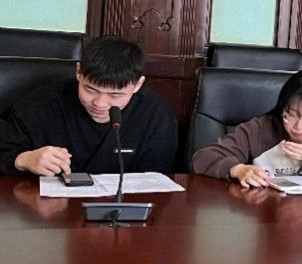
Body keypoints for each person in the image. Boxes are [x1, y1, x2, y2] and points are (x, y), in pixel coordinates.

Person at [0, 35, 177, 176]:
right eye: (90, 90)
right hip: (46, 207)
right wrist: (24, 159)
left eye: (115, 95)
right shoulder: (41, 105)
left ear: (138, 85)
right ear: (78, 72)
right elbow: (5, 151)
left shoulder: (155, 113)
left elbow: (157, 178)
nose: (100, 103)